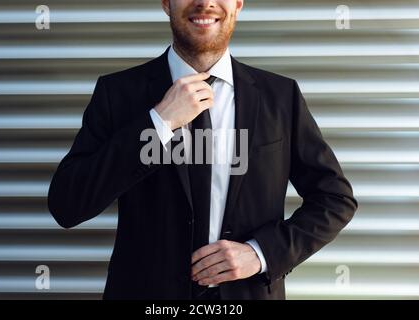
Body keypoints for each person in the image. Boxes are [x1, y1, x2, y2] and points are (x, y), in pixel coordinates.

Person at [47, 0, 358, 300]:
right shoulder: (118, 93)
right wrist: (159, 121)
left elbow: (335, 199)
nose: (205, 2)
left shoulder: (280, 96)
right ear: (166, 3)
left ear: (238, 3)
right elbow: (68, 205)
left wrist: (260, 253)